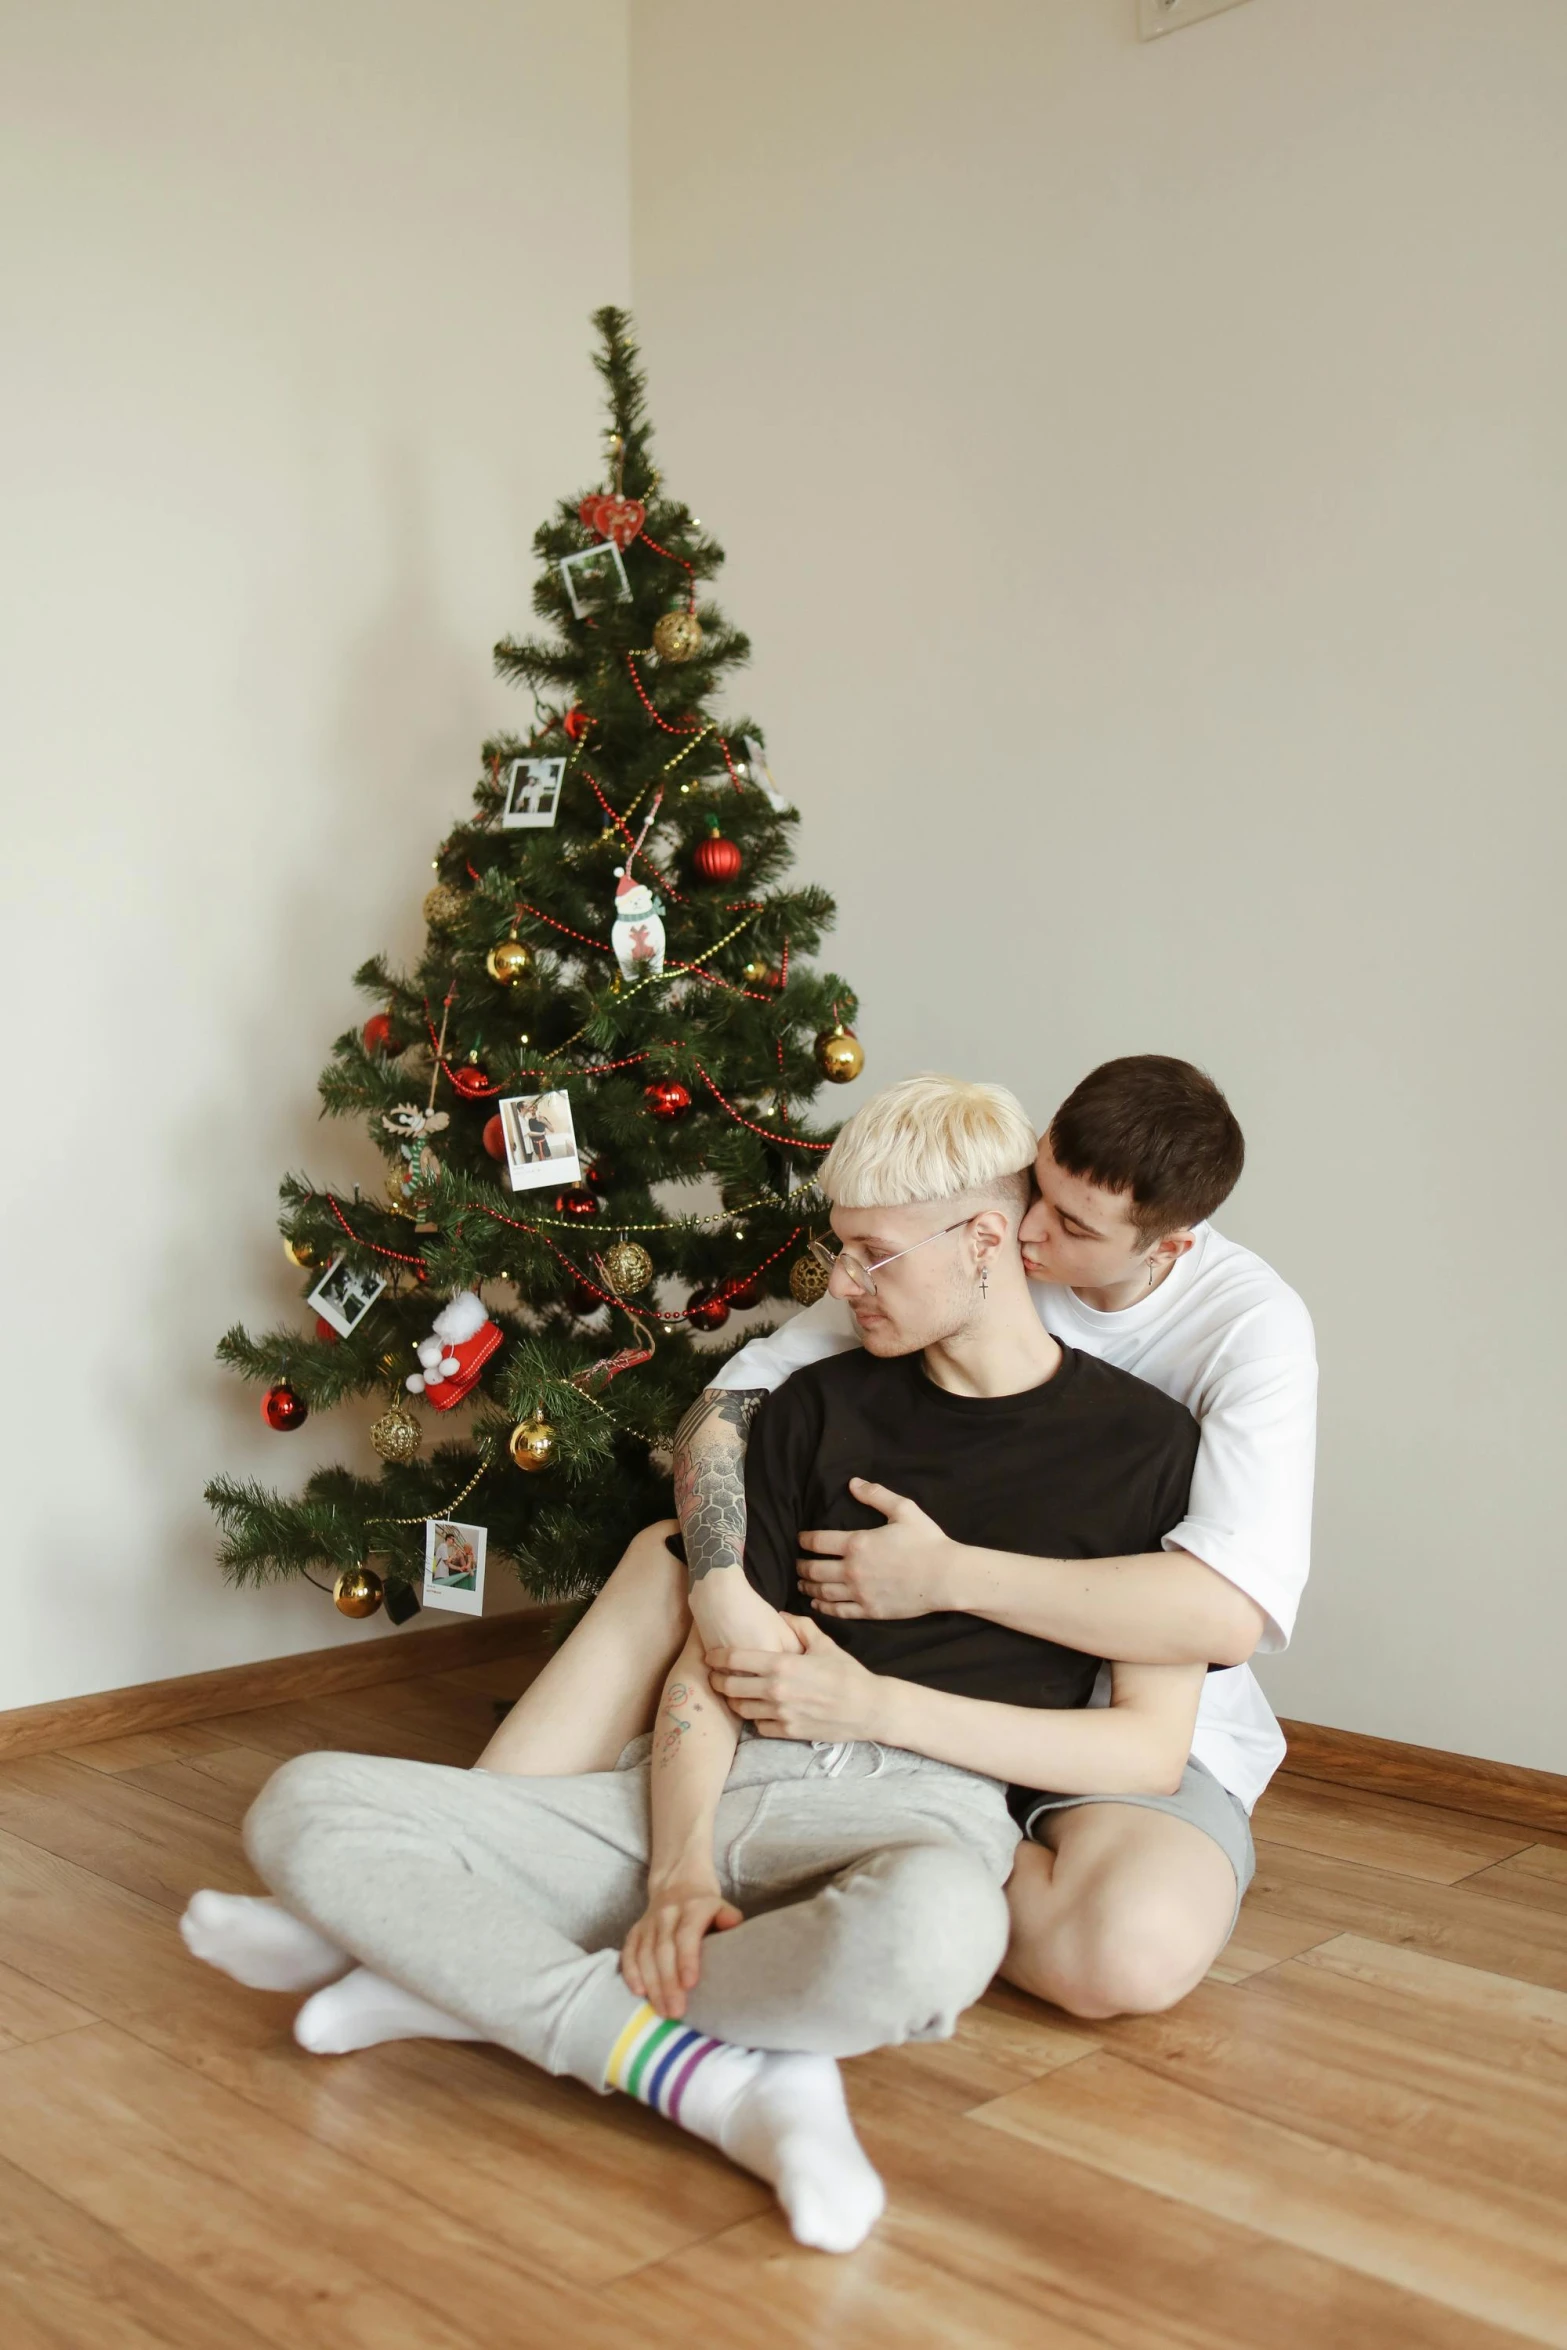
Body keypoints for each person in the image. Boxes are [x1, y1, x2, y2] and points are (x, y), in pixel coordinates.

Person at [182, 1078, 1203, 2255]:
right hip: (710, 1789)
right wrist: (674, 1871)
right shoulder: (814, 1406)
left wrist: (876, 1704)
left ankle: (460, 1976)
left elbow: (1147, 1743)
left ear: (982, 1239)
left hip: (918, 1814)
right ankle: (716, 2081)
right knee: (308, 1800)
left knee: (936, 1934)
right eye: (838, 1251)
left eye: (870, 1255)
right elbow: (704, 1671)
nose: (838, 1283)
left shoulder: (1144, 1446)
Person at [476, 1054, 1316, 2018]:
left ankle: (855, 1890)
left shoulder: (1241, 1334)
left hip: (1101, 1695)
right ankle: (494, 1835)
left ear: (1164, 1250)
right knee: (671, 1551)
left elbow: (1219, 1622)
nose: (1033, 1235)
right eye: (1037, 1188)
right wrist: (720, 1597)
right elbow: (729, 1409)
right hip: (866, 1676)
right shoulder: (944, 1253)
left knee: (1120, 1956)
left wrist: (942, 1585)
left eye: (1071, 1227)